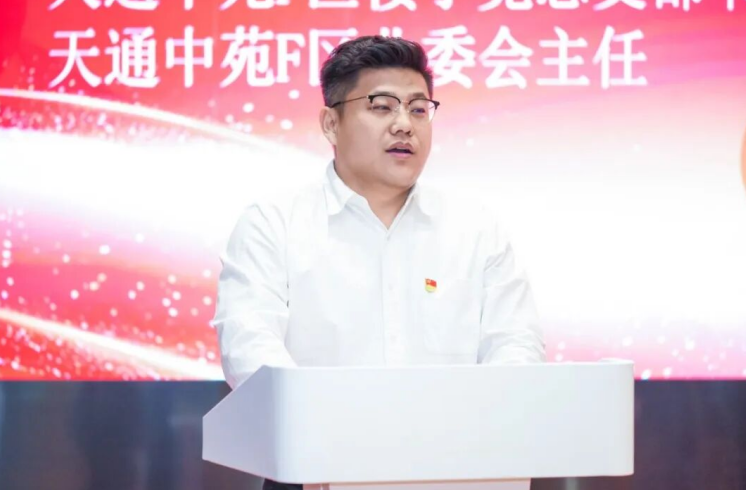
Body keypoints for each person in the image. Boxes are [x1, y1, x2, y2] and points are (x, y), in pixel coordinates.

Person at [212, 35, 545, 490]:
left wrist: (478, 427)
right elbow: (250, 349)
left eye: (419, 109)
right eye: (382, 107)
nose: (404, 125)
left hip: (458, 471)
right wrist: (329, 433)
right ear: (331, 123)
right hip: (317, 473)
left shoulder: (476, 229)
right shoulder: (273, 224)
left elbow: (516, 346)